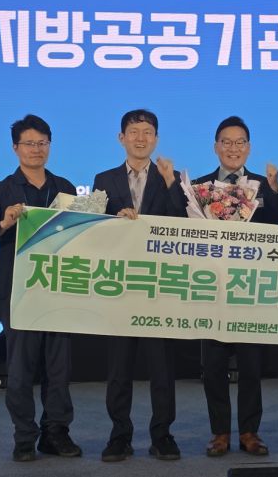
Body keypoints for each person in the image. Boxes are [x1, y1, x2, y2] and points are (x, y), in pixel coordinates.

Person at [0, 114, 81, 462]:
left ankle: (56, 434)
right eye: (29, 143)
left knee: (58, 371)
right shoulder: (2, 190)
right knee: (20, 372)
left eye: (42, 143)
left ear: (50, 146)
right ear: (15, 148)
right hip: (17, 292)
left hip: (57, 288)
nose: (36, 149)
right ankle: (24, 437)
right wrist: (4, 223)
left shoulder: (65, 188)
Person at [92, 109, 186, 462]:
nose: (141, 138)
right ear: (122, 138)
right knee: (119, 368)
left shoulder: (172, 177)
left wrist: (171, 183)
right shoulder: (104, 179)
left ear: (156, 139)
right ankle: (119, 435)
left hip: (159, 285)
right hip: (120, 285)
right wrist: (113, 220)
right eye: (134, 132)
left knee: (161, 368)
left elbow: (184, 223)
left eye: (148, 132)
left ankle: (162, 434)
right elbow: (93, 227)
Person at [193, 116, 278, 457]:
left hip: (249, 289)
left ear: (249, 147)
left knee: (251, 366)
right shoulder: (198, 187)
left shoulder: (264, 185)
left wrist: (274, 191)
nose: (233, 148)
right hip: (211, 289)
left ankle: (249, 432)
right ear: (216, 147)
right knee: (213, 367)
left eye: (240, 142)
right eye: (227, 142)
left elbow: (276, 225)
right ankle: (219, 433)